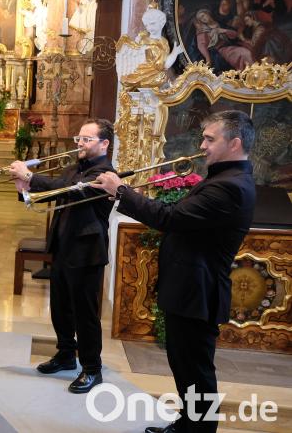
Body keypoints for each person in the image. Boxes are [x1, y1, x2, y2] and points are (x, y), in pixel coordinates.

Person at [96, 110, 257, 433]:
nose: (203, 145)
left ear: (235, 143)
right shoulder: (223, 179)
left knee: (195, 370)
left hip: (197, 291)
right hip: (189, 288)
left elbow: (170, 218)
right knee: (185, 368)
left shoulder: (229, 186)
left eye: (210, 139)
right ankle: (187, 425)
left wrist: (121, 191)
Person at [8, 118, 115, 394]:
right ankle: (66, 354)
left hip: (87, 253)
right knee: (61, 308)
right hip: (64, 248)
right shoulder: (73, 168)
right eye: (79, 138)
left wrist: (31, 175)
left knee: (86, 314)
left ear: (104, 144)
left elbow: (73, 193)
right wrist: (25, 188)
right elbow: (53, 190)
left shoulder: (103, 173)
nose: (79, 143)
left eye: (86, 139)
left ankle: (92, 369)